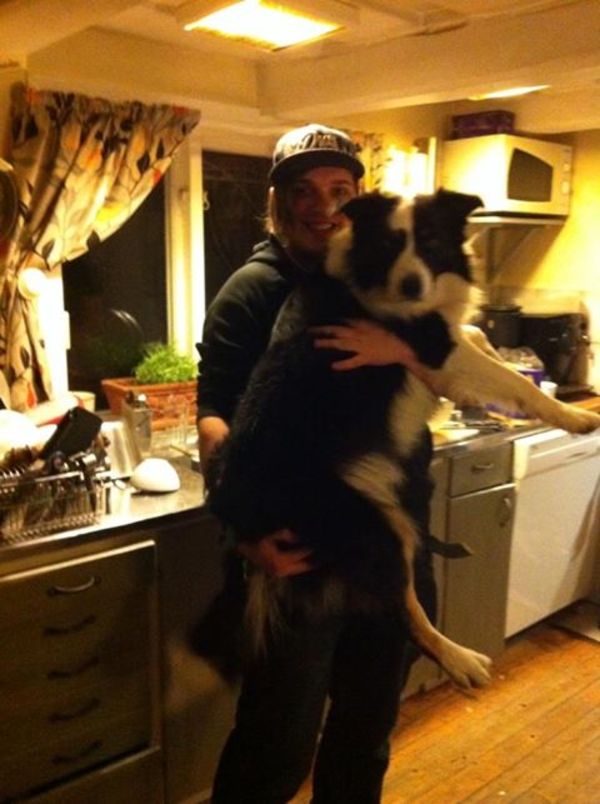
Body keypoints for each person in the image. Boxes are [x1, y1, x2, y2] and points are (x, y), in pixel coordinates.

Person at [196, 123, 437, 804]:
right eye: (302, 190)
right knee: (277, 742)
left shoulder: (379, 278)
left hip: (386, 547)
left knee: (366, 733)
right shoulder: (252, 290)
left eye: (339, 188)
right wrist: (245, 535)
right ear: (277, 202)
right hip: (298, 559)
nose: (322, 206)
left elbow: (441, 363)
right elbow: (215, 421)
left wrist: (400, 351)